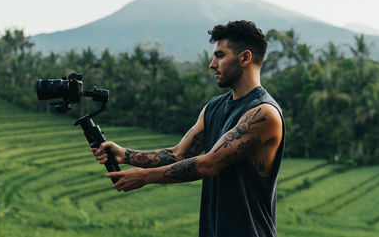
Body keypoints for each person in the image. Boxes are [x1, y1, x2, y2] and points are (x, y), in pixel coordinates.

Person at [91, 20, 285, 237]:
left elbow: (208, 164)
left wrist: (145, 176)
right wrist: (125, 155)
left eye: (220, 55)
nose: (212, 64)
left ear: (245, 58)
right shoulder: (214, 107)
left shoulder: (263, 114)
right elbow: (179, 154)